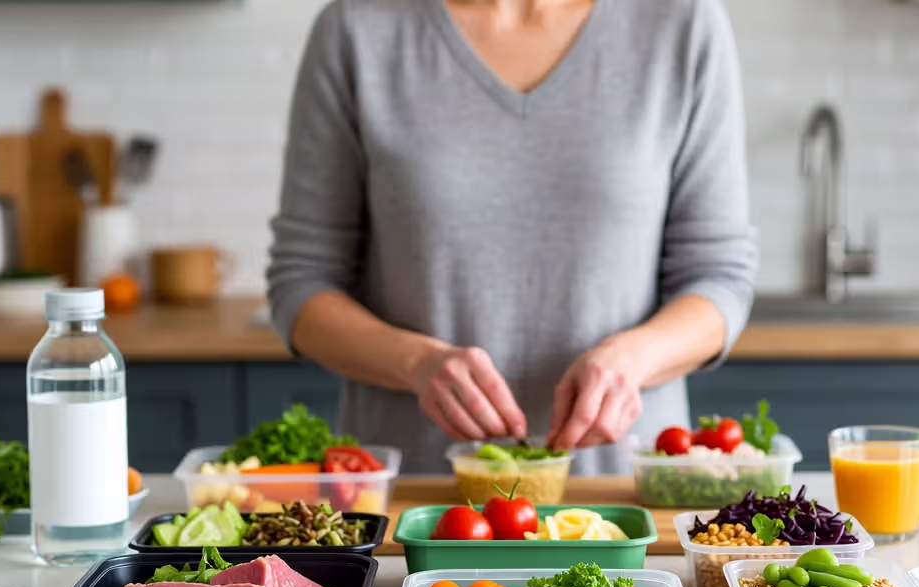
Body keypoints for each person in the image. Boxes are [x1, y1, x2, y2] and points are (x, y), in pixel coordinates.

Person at [267, 0, 757, 474]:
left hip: (623, 500)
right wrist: (415, 363)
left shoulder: (682, 23)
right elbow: (302, 283)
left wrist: (633, 359)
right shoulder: (357, 29)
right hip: (417, 502)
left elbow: (720, 278)